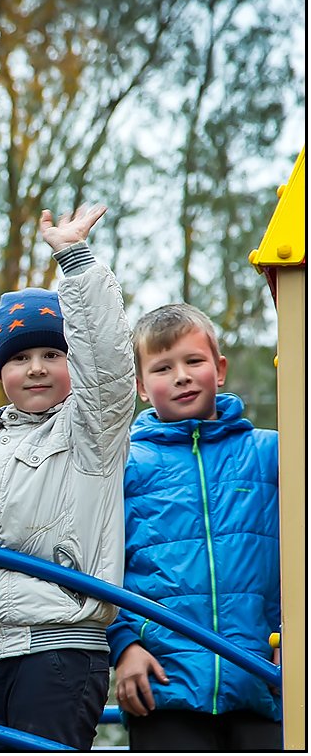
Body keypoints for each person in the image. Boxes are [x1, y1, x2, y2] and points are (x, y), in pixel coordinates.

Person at [0, 204, 133, 750]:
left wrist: (75, 259)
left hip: (59, 651)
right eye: (19, 358)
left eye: (51, 353)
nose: (35, 367)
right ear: (0, 372)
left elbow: (108, 362)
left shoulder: (91, 430)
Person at [105, 303, 281, 751]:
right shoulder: (126, 466)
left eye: (194, 361)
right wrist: (123, 646)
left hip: (264, 679)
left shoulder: (270, 453)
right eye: (163, 368)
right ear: (141, 387)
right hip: (163, 684)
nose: (181, 376)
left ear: (219, 370)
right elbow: (100, 563)